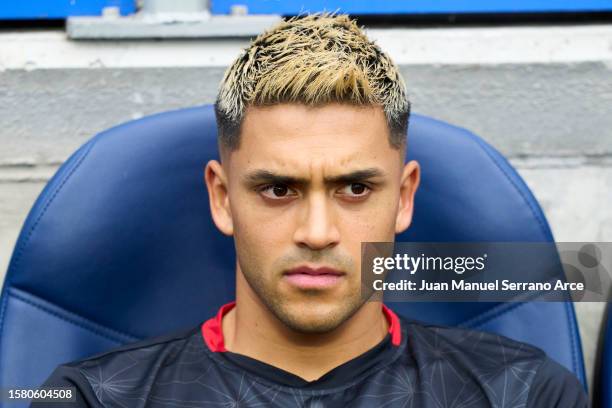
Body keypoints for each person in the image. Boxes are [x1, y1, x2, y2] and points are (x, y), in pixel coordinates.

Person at [34, 13, 587, 407]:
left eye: (354, 189)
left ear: (404, 197)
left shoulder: (524, 390)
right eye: (278, 190)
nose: (317, 232)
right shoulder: (91, 399)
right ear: (223, 199)